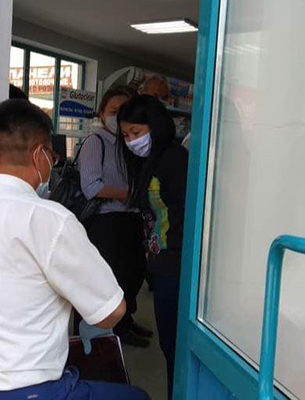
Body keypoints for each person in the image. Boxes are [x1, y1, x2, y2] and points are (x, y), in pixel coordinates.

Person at [0, 99, 150, 400]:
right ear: (39, 155)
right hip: (29, 391)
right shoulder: (50, 219)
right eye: (52, 155)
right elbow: (112, 312)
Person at [117, 95, 189, 400]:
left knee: (175, 348)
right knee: (169, 346)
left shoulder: (174, 158)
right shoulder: (149, 162)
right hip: (161, 265)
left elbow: (186, 212)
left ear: (155, 126)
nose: (131, 141)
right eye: (125, 135)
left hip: (177, 265)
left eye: (136, 132)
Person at [77, 87, 152, 348]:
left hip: (131, 218)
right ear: (102, 113)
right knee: (111, 277)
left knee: (132, 274)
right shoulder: (95, 142)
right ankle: (111, 330)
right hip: (106, 221)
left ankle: (125, 321)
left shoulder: (131, 144)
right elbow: (91, 186)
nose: (118, 117)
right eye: (113, 111)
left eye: (124, 111)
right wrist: (126, 195)